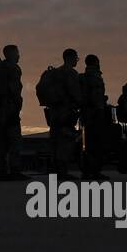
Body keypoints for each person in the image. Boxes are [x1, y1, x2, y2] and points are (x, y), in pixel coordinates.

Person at [43, 49, 82, 179]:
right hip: (66, 112)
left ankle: (55, 170)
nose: (77, 60)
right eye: (76, 58)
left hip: (53, 112)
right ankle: (62, 172)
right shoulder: (70, 73)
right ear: (70, 57)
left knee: (55, 139)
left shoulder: (54, 73)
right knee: (65, 141)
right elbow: (76, 93)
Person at [0, 44, 26, 181]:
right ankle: (15, 170)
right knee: (14, 141)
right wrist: (17, 106)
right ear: (10, 54)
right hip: (9, 109)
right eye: (17, 52)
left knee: (1, 142)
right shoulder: (13, 69)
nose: (18, 55)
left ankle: (3, 171)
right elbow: (15, 90)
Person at [79, 54, 110, 180]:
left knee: (87, 144)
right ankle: (95, 171)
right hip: (95, 114)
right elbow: (96, 96)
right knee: (96, 144)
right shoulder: (95, 77)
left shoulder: (82, 77)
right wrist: (100, 106)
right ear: (96, 62)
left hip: (85, 113)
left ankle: (87, 171)